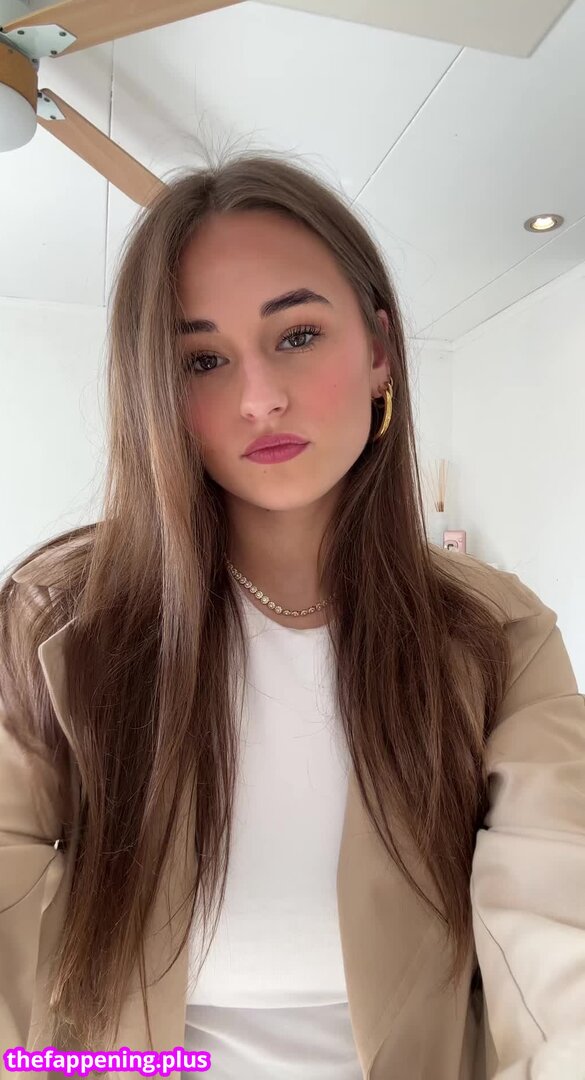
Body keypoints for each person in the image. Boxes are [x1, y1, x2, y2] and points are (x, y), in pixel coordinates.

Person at [1, 151, 584, 1080]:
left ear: (380, 349)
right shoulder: (60, 622)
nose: (259, 398)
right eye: (201, 360)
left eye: (298, 335)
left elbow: (557, 906)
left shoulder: (495, 633)